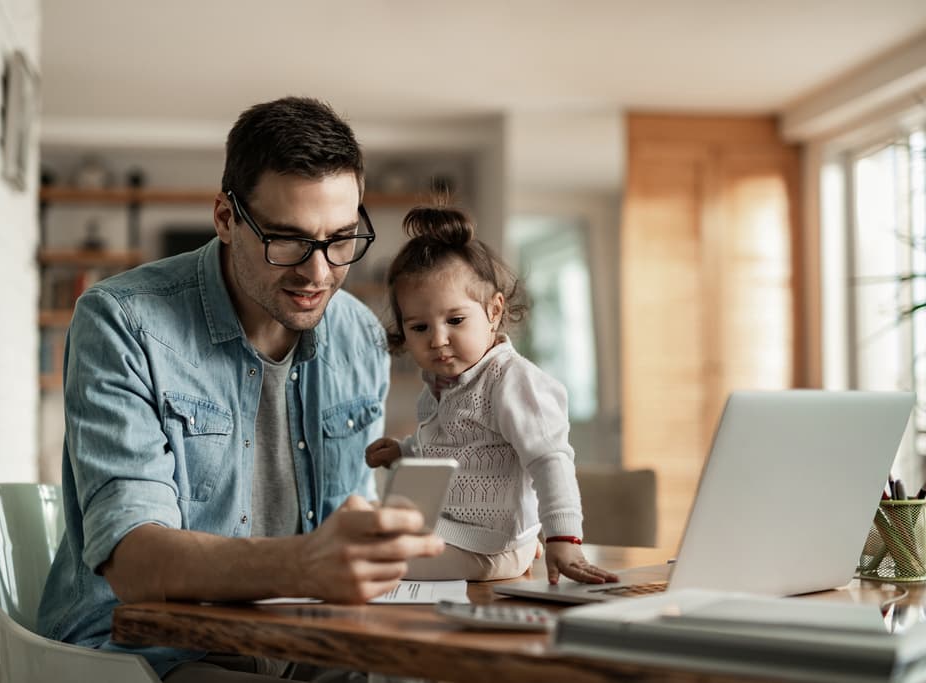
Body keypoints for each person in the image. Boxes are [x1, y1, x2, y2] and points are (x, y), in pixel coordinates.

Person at [36, 97, 444, 681]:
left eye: (342, 239)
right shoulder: (122, 321)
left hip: (308, 644)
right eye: (288, 240)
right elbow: (134, 561)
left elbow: (347, 535)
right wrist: (306, 564)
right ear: (226, 218)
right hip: (150, 653)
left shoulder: (359, 334)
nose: (319, 273)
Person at [364, 205, 619, 586]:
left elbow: (550, 460)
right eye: (419, 327)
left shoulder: (511, 381)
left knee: (376, 562)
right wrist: (405, 451)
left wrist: (563, 539)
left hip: (487, 546)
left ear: (494, 311)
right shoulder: (441, 385)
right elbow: (453, 449)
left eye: (455, 320)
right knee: (365, 527)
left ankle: (519, 549)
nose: (437, 340)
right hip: (459, 530)